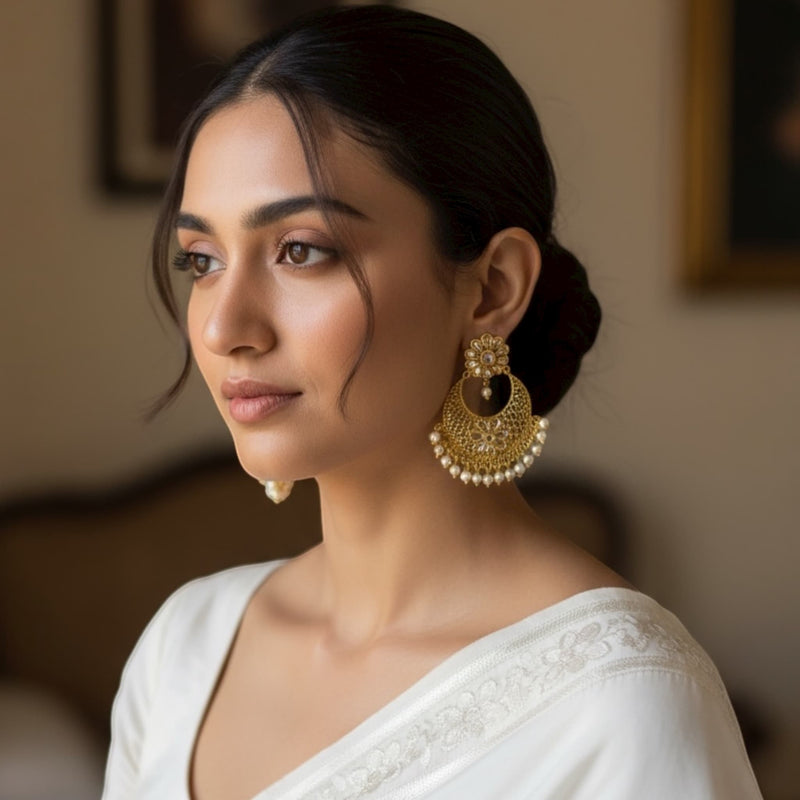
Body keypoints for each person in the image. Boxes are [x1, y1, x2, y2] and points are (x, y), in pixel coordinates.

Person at [102, 6, 762, 799]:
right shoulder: (186, 647)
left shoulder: (620, 702)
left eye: (300, 251)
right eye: (201, 260)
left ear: (492, 288)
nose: (224, 327)